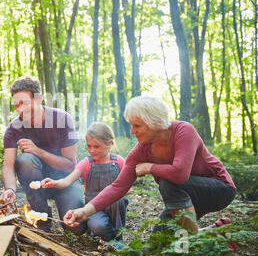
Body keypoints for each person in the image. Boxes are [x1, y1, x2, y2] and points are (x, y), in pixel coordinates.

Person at [63, 96, 237, 235]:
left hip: (219, 189)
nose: (132, 131)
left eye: (137, 125)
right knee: (157, 243)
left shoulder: (183, 131)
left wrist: (149, 167)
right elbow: (117, 186)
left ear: (154, 121)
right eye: (131, 125)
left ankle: (193, 241)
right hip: (185, 198)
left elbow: (180, 174)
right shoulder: (141, 150)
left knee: (168, 183)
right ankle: (212, 233)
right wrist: (84, 212)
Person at [0, 76, 86, 234]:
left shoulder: (62, 119)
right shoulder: (14, 127)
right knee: (24, 160)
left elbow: (70, 165)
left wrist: (38, 151)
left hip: (65, 181)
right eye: (16, 104)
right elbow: (8, 165)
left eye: (24, 103)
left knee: (76, 229)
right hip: (36, 184)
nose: (19, 109)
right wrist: (10, 188)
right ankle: (42, 218)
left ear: (38, 99)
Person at [42, 122, 128, 245]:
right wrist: (54, 182)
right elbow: (67, 181)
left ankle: (118, 241)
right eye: (89, 146)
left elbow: (127, 187)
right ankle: (105, 235)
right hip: (93, 208)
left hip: (115, 207)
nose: (92, 150)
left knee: (119, 200)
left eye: (96, 146)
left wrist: (116, 191)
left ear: (109, 144)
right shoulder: (87, 163)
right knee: (99, 227)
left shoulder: (119, 161)